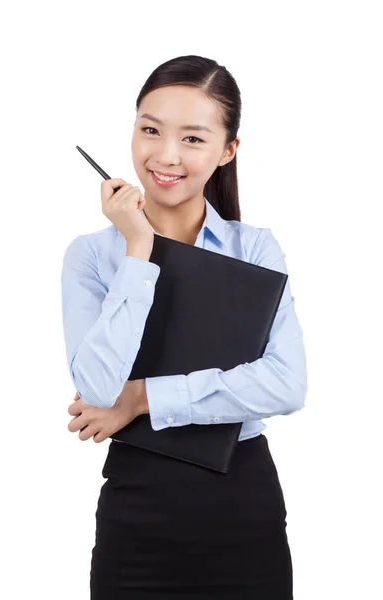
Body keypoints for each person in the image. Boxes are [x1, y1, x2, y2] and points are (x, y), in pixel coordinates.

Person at [61, 54, 308, 599]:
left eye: (193, 139)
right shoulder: (92, 257)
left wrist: (144, 398)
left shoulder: (255, 250)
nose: (166, 155)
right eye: (150, 130)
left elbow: (286, 384)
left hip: (243, 508)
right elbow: (99, 389)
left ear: (227, 150)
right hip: (137, 513)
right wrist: (139, 252)